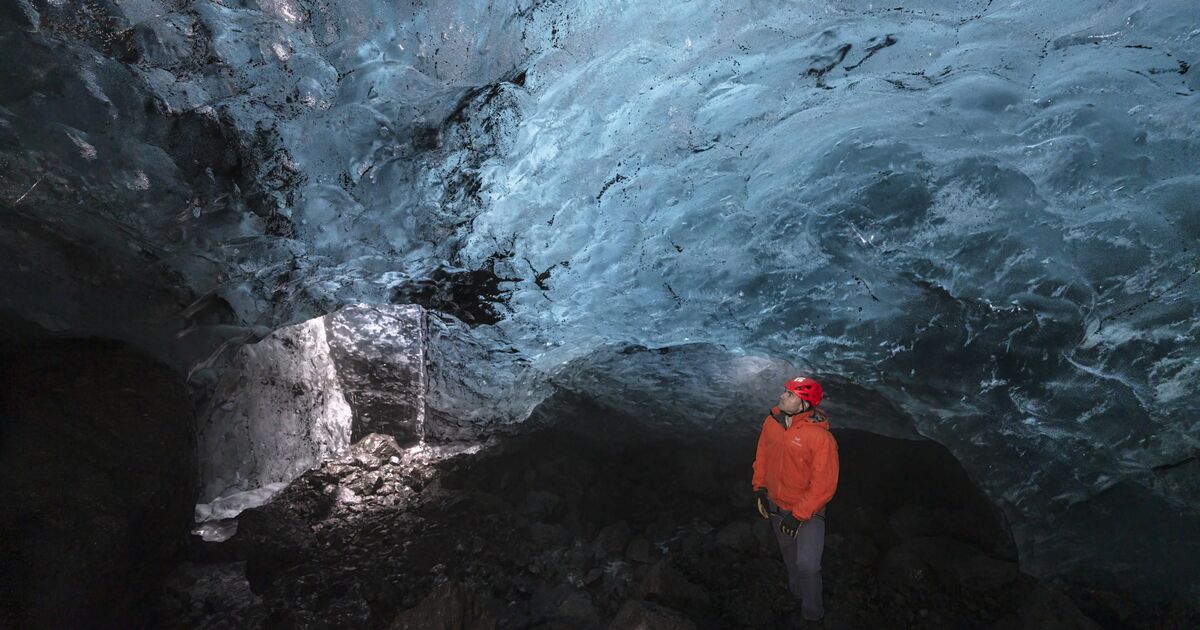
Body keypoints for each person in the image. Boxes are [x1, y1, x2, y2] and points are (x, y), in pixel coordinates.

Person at [751, 376, 840, 622]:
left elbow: (824, 486)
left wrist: (798, 516)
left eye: (790, 395)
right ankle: (795, 597)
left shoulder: (821, 439)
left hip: (808, 513)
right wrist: (759, 487)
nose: (782, 396)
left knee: (808, 565)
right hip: (777, 505)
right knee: (790, 558)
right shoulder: (772, 422)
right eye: (785, 391)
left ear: (804, 405)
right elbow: (763, 454)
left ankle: (812, 616)